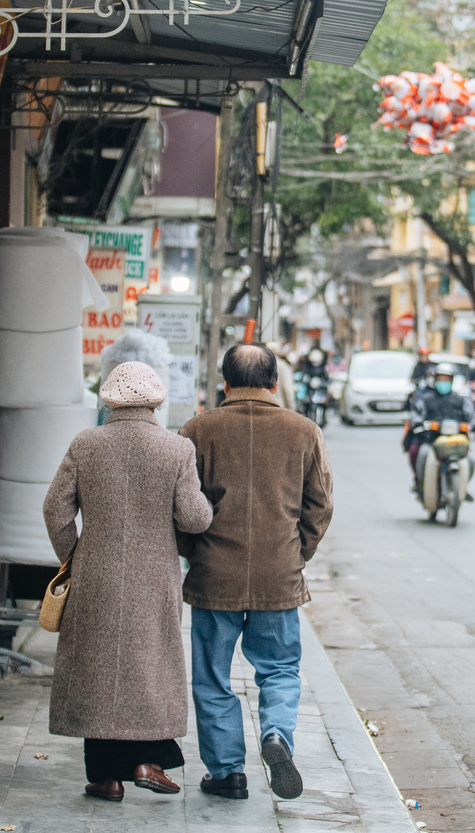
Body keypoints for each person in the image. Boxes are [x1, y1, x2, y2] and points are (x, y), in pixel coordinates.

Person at [43, 361, 212, 804]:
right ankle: (146, 760)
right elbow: (194, 517)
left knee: (99, 670)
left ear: (109, 400)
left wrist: (73, 556)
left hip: (95, 572)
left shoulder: (86, 443)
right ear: (156, 401)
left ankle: (107, 778)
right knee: (148, 664)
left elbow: (55, 510)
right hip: (155, 575)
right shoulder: (177, 449)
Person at [178, 342, 333, 802]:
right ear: (274, 382)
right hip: (278, 575)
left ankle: (227, 773)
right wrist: (295, 554)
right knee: (281, 668)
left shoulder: (198, 430)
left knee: (212, 676)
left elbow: (182, 508)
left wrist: (193, 552)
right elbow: (320, 505)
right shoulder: (303, 431)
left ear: (224, 383)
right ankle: (277, 735)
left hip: (213, 575)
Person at [403, 362, 474, 480]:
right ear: (435, 380)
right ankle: (419, 482)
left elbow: (471, 415)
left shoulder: (459, 399)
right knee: (419, 453)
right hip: (430, 439)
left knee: (470, 460)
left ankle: (462, 488)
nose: (443, 382)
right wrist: (418, 422)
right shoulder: (426, 399)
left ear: (451, 380)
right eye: (440, 379)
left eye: (446, 379)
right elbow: (416, 414)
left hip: (455, 440)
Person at [266, 340, 296, 410]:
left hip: (263, 408)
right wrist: (292, 410)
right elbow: (288, 390)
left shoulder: (259, 365)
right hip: (279, 407)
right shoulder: (282, 366)